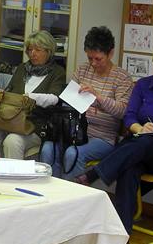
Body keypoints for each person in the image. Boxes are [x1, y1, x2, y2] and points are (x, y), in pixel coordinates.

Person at [76, 43, 153, 235]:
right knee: (129, 169)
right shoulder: (143, 85)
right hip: (140, 152)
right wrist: (141, 128)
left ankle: (94, 174)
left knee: (144, 142)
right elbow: (130, 117)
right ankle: (121, 235)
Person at [38, 26, 133, 179]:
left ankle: (72, 193)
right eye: (90, 58)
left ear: (110, 53)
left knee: (72, 153)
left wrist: (98, 97)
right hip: (72, 130)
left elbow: (123, 111)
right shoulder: (82, 70)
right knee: (48, 149)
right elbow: (67, 101)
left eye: (98, 59)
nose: (93, 63)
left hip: (102, 137)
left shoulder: (122, 78)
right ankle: (50, 191)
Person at [0, 30, 65, 160]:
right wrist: (2, 94)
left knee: (13, 141)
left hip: (35, 125)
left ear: (49, 51)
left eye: (37, 50)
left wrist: (29, 97)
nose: (32, 53)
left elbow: (55, 98)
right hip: (10, 119)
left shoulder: (57, 72)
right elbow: (9, 91)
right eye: (30, 50)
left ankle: (13, 173)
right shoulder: (22, 68)